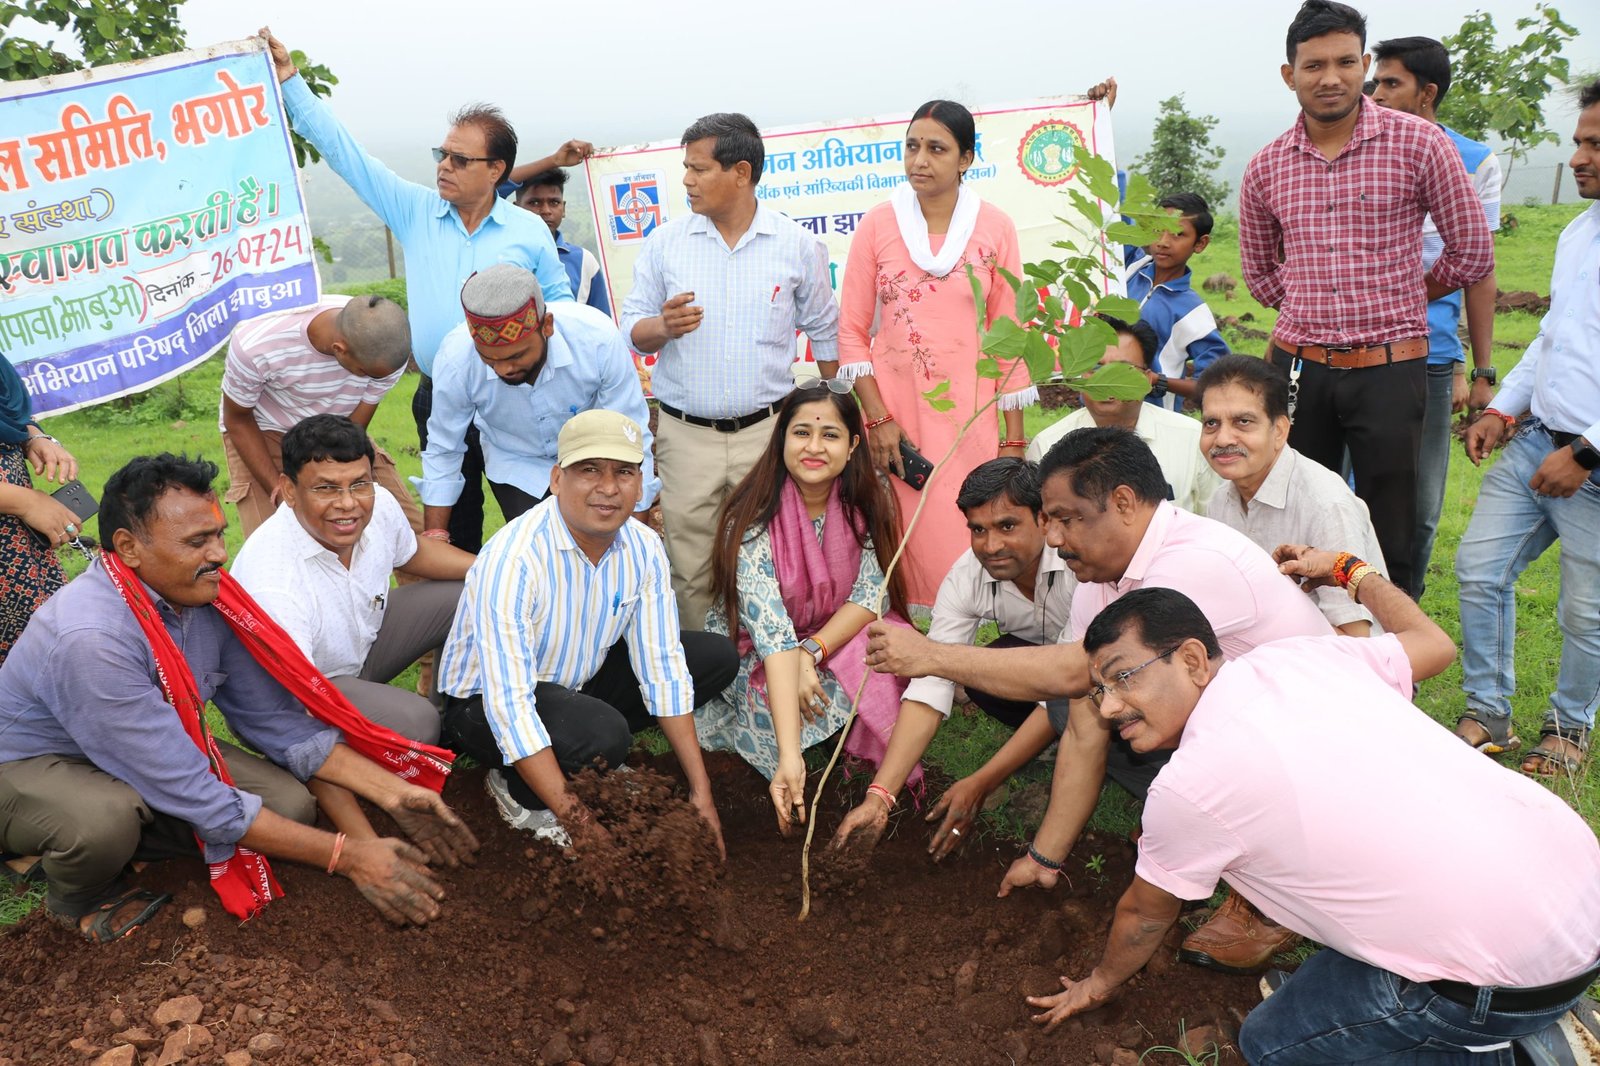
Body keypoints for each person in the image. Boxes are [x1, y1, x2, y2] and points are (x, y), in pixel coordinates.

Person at [1020, 583, 1600, 1066]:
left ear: (1193, 660)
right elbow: (1426, 643)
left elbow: (1145, 917)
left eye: (1125, 678)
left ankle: (1518, 1053)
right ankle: (1539, 1001)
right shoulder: (1298, 655)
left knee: (1272, 1044)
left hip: (1497, 989)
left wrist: (1098, 983)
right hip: (1579, 887)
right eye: (1098, 690)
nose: (1110, 706)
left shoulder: (1192, 784)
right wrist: (1353, 572)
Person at [864, 426, 1336, 973]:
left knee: (1104, 708)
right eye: (1050, 520)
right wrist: (1045, 857)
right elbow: (1084, 690)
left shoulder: (1196, 562)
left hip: (1307, 752)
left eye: (1066, 518)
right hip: (1237, 730)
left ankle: (1268, 893)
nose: (1056, 538)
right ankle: (1199, 824)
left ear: (1124, 503)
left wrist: (931, 655)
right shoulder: (1100, 576)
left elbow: (1072, 668)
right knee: (1089, 703)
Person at [0, 454, 479, 941]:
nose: (219, 555)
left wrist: (394, 794)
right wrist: (349, 857)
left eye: (218, 534)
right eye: (196, 542)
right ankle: (75, 894)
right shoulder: (92, 639)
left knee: (289, 807)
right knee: (102, 822)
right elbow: (201, 797)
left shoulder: (205, 597)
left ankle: (134, 842)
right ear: (129, 547)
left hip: (143, 746)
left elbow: (275, 720)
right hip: (32, 764)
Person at [264, 30, 575, 554]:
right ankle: (460, 628)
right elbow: (348, 156)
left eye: (459, 159)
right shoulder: (416, 212)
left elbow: (561, 310)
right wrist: (292, 84)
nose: (443, 167)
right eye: (442, 154)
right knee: (452, 533)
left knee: (537, 523)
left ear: (496, 170)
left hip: (517, 396)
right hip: (439, 396)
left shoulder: (527, 232)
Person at [1237, 0, 1494, 596]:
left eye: (1346, 62)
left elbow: (1472, 252)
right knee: (1298, 511)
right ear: (1289, 74)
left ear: (1364, 66)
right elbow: (1259, 275)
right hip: (1302, 373)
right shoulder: (1266, 167)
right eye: (1314, 65)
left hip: (1390, 367)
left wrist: (1403, 291)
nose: (1331, 78)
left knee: (1390, 521)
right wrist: (1309, 304)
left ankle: (1394, 658)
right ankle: (1310, 646)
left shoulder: (1419, 144)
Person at [437, 410, 736, 855]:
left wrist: (701, 794)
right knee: (603, 736)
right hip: (482, 704)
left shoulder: (644, 546)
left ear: (641, 483)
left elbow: (663, 667)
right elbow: (510, 707)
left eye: (624, 472)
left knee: (713, 658)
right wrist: (582, 825)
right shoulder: (514, 559)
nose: (609, 488)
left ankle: (581, 755)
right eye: (589, 470)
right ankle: (518, 791)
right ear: (557, 478)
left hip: (574, 680)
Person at [619, 112, 841, 626]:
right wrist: (664, 327)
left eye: (698, 169)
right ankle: (704, 678)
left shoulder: (795, 246)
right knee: (690, 569)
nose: (687, 181)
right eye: (685, 168)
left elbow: (825, 330)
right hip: (684, 436)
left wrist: (835, 414)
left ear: (740, 172)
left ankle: (769, 673)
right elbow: (632, 328)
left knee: (770, 558)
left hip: (766, 434)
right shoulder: (667, 243)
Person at [1454, 80, 1600, 776]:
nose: (1578, 157)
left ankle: (1569, 731)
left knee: (1586, 612)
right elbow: (1550, 338)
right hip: (1538, 436)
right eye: (1578, 140)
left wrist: (1588, 451)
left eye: (1595, 144)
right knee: (1479, 570)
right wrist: (1502, 408)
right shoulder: (1579, 232)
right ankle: (1487, 713)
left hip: (1592, 464)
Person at [838, 99, 1034, 608]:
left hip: (972, 422)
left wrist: (1014, 443)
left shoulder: (996, 228)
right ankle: (904, 659)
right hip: (895, 423)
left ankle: (961, 659)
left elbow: (1009, 336)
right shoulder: (879, 225)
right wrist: (878, 421)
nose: (919, 160)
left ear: (966, 158)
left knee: (967, 536)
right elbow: (852, 331)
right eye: (911, 147)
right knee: (896, 547)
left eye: (936, 149)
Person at [696, 382, 914, 832]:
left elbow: (870, 596)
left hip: (829, 638)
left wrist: (810, 652)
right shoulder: (751, 516)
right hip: (755, 649)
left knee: (889, 654)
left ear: (854, 445)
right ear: (781, 440)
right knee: (775, 714)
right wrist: (791, 758)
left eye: (830, 435)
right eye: (802, 433)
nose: (814, 447)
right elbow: (772, 632)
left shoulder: (872, 502)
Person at [828, 458, 1073, 857]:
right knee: (975, 671)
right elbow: (931, 677)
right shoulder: (967, 576)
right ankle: (1053, 743)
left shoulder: (1078, 565)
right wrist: (879, 797)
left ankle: (1075, 745)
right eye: (978, 530)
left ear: (1043, 520)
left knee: (1068, 700)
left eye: (1007, 526)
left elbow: (1067, 682)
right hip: (1035, 663)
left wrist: (982, 781)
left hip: (1089, 673)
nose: (991, 546)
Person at [231, 415, 476, 744]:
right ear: (289, 490)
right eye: (326, 488)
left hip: (358, 650)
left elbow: (414, 553)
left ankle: (455, 713)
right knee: (417, 722)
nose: (347, 504)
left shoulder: (378, 503)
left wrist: (496, 567)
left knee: (474, 589)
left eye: (359, 484)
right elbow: (294, 697)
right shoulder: (273, 579)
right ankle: (420, 734)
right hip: (292, 695)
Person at [1370, 35, 1502, 598]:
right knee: (1344, 490)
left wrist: (1481, 369)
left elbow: (1478, 266)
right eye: (1374, 82)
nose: (1375, 94)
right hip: (1352, 349)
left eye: (1389, 83)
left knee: (1418, 505)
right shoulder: (1356, 152)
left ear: (1427, 93)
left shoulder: (1475, 161)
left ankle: (1407, 613)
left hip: (1427, 352)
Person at [416, 265, 657, 534]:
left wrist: (638, 534)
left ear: (547, 326)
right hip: (516, 462)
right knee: (537, 554)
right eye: (490, 359)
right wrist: (436, 535)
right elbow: (443, 448)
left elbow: (631, 432)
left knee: (603, 547)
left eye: (516, 356)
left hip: (594, 457)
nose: (503, 369)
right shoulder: (456, 359)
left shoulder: (596, 339)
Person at [1198, 355, 1387, 635]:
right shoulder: (1220, 500)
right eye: (1211, 423)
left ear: (1280, 431)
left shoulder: (1326, 505)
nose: (1223, 439)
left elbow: (1355, 638)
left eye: (1243, 422)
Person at [219, 292, 418, 538]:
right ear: (340, 350)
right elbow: (237, 420)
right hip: (263, 429)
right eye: (365, 373)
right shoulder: (256, 344)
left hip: (339, 429)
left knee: (406, 530)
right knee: (278, 539)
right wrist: (281, 491)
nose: (372, 380)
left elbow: (351, 429)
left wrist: (335, 479)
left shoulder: (387, 351)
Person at [1027, 317, 1220, 513]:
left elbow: (1216, 523)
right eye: (1095, 368)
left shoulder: (1191, 438)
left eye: (1121, 369)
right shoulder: (1046, 446)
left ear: (1146, 379)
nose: (1106, 380)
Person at [0, 355, 79, 665]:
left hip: (19, 551)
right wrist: (26, 501)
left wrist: (31, 436)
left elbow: (9, 417)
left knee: (44, 656)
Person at [1123, 193, 1230, 413]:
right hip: (1096, 405)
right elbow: (1112, 207)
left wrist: (1157, 381)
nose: (1163, 242)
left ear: (1200, 243)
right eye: (1157, 230)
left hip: (1150, 417)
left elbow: (1215, 383)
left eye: (1178, 234)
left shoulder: (1192, 312)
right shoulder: (1129, 268)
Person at [513, 170, 610, 316]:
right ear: (516, 208)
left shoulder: (584, 260)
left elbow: (601, 321)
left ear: (563, 208)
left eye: (554, 202)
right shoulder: (507, 255)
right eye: (534, 202)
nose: (546, 211)